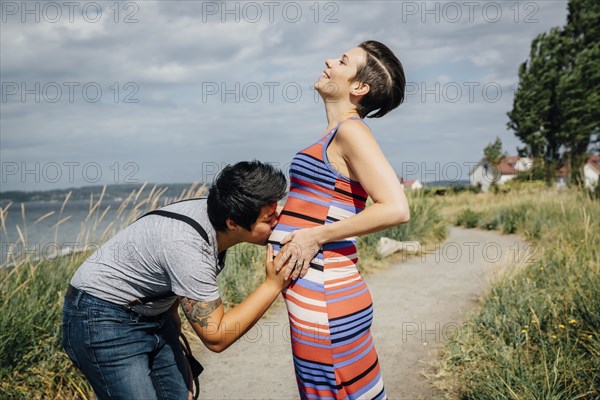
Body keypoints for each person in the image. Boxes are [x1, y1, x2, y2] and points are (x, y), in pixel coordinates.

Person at [62, 160, 289, 400]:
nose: (278, 221)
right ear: (232, 223)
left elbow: (170, 285)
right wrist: (271, 285)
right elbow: (217, 337)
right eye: (269, 218)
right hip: (101, 317)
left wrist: (177, 349)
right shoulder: (187, 245)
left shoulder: (217, 213)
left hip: (150, 313)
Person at [268, 40, 410, 400]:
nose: (329, 60)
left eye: (343, 60)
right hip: (318, 292)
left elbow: (395, 207)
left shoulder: (351, 131)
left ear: (359, 87)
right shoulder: (335, 134)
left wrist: (314, 237)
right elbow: (318, 206)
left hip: (327, 294)